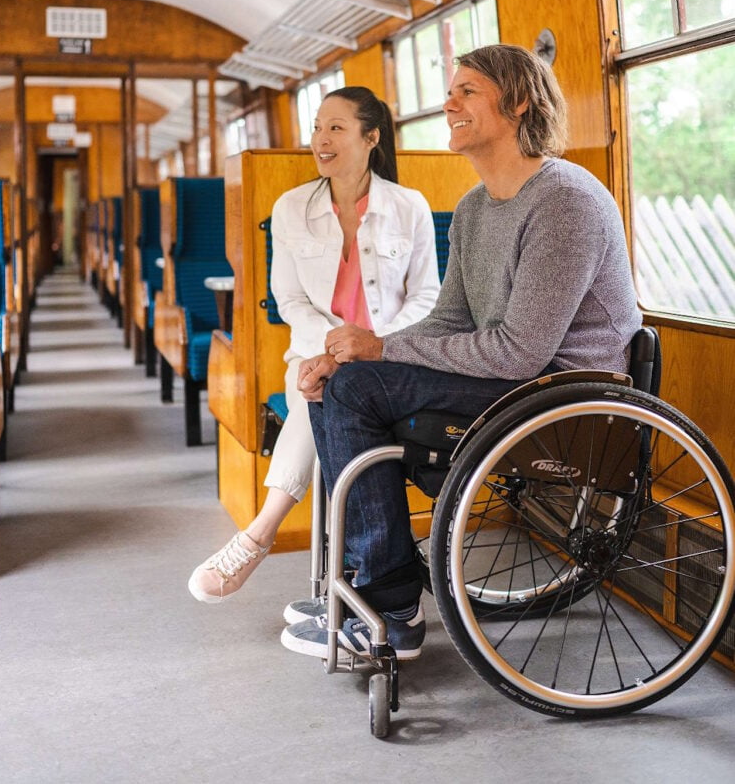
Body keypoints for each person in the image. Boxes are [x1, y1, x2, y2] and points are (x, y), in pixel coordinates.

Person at [281, 44, 642, 662]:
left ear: (520, 101)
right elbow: (450, 320)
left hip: (564, 389)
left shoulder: (564, 200)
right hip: (514, 377)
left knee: (354, 388)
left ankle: (388, 603)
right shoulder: (474, 208)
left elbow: (521, 352)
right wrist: (361, 353)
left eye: (467, 91)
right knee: (341, 379)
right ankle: (378, 588)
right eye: (452, 90)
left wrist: (378, 351)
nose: (449, 102)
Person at [188, 86, 441, 603]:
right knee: (320, 385)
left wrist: (371, 343)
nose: (320, 140)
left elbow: (428, 299)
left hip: (390, 360)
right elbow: (288, 300)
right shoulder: (289, 208)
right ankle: (275, 537)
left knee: (333, 387)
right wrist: (331, 351)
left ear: (371, 137)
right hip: (312, 355)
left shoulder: (409, 206)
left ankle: (260, 533)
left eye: (336, 128)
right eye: (317, 127)